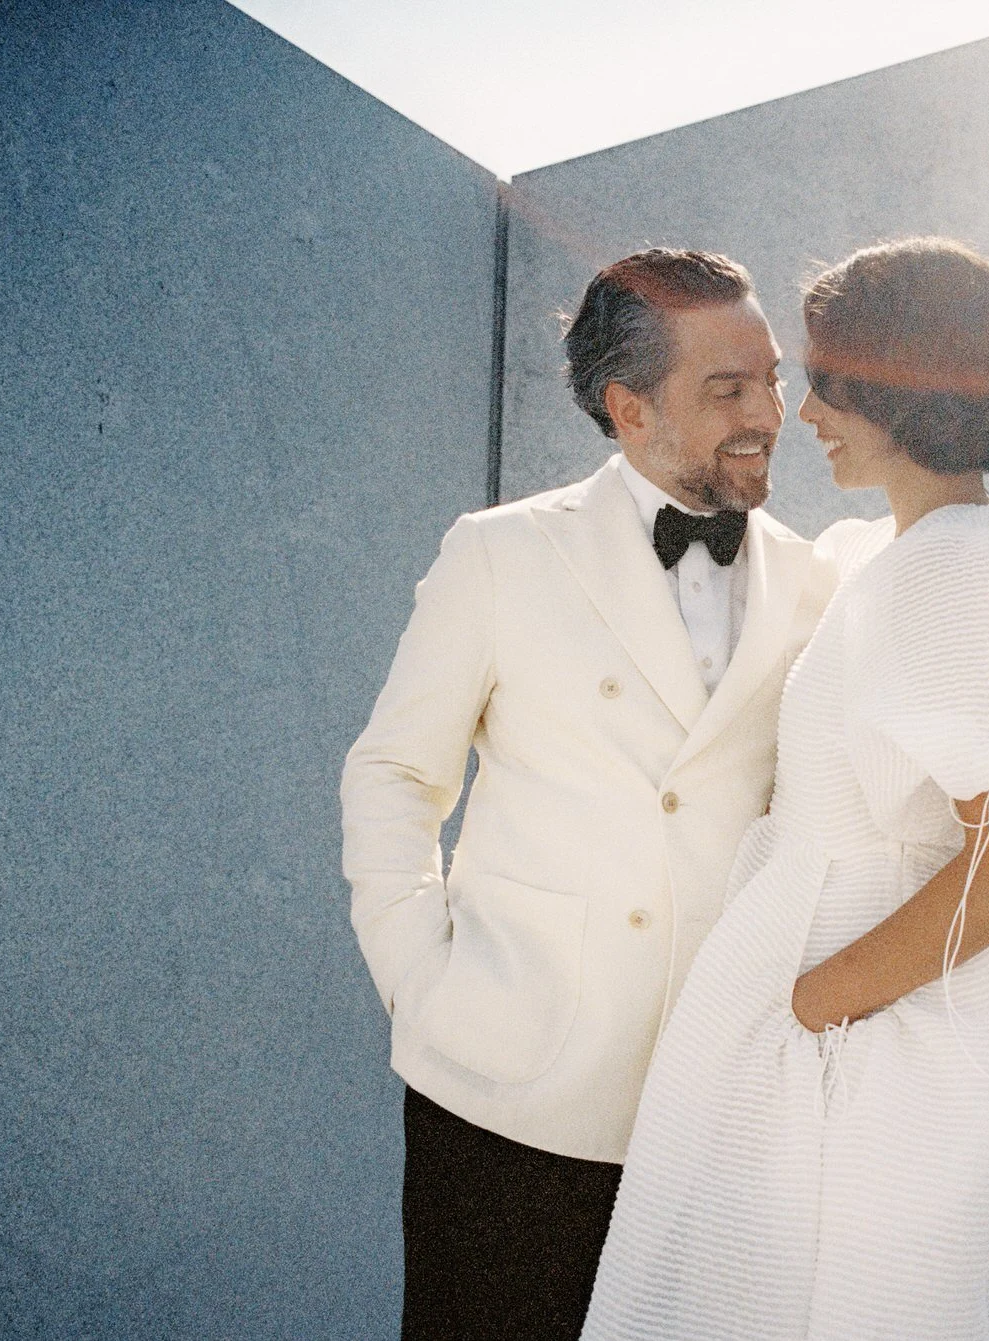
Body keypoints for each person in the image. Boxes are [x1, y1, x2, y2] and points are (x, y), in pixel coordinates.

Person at [582, 238, 989, 1341]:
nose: (800, 412)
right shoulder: (891, 562)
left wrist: (812, 1008)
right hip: (837, 1042)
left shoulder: (955, 578)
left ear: (904, 384)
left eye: (830, 381)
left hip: (875, 1058)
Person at [340, 247, 838, 1341]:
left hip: (716, 1113)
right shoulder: (499, 555)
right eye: (728, 389)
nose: (770, 411)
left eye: (771, 378)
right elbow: (394, 776)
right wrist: (420, 984)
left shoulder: (817, 581)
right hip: (508, 1094)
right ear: (628, 409)